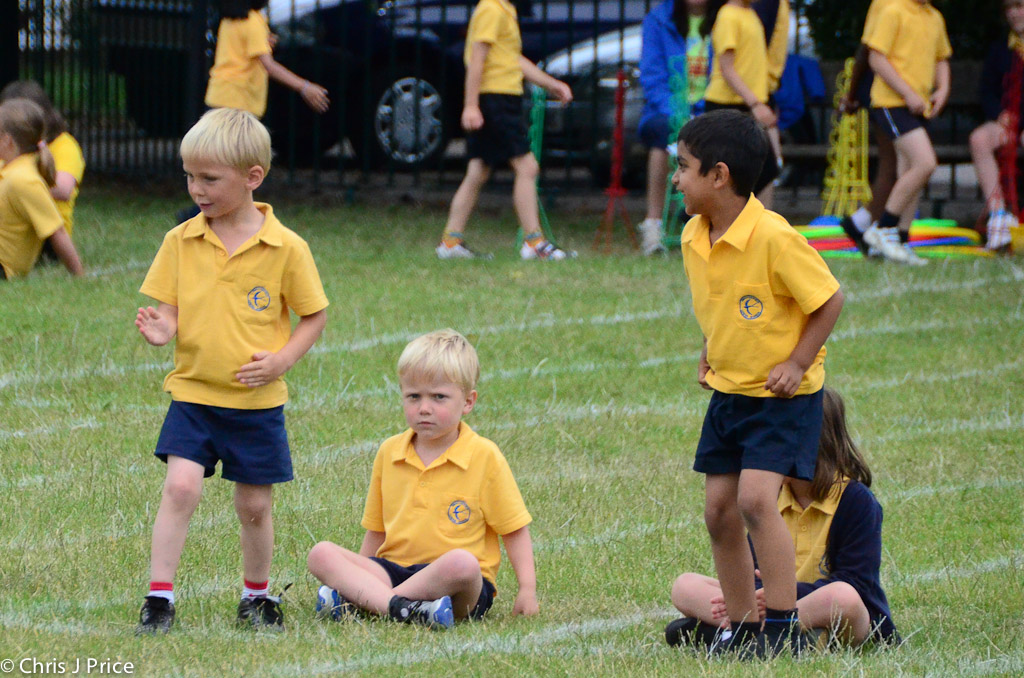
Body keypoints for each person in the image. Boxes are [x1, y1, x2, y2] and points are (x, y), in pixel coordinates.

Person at [134, 108, 329, 634]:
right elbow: (170, 305)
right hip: (193, 394)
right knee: (180, 488)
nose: (196, 189)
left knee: (254, 505)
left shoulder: (288, 248)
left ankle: (256, 596)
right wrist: (164, 327)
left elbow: (314, 315)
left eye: (209, 179)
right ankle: (159, 599)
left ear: (252, 177)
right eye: (190, 176)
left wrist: (283, 359)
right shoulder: (181, 240)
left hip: (255, 405)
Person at [674, 109, 845, 657]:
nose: (675, 178)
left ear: (718, 176)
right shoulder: (692, 235)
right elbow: (719, 305)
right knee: (718, 510)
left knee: (754, 500)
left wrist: (796, 362)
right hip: (731, 393)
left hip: (782, 399)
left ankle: (781, 626)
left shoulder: (774, 236)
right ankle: (742, 628)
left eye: (683, 168)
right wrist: (711, 349)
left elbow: (829, 300)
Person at [307, 329, 538, 628]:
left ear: (468, 402)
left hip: (457, 585)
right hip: (393, 569)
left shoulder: (484, 456)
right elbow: (377, 530)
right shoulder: (390, 452)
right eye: (413, 396)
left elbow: (514, 530)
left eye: (439, 397)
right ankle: (405, 609)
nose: (424, 408)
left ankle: (369, 602)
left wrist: (527, 589)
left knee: (462, 562)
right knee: (321, 553)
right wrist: (359, 573)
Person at [666, 387, 900, 652]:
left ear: (812, 444)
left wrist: (780, 598)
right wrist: (755, 597)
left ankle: (720, 633)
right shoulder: (767, 499)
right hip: (771, 607)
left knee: (842, 597)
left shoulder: (856, 501)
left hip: (837, 615)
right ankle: (759, 633)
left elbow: (856, 582)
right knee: (684, 586)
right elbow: (753, 572)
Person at [436, 0, 573, 261]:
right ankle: (534, 242)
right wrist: (471, 106)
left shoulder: (504, 10)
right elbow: (477, 59)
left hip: (499, 99)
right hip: (494, 100)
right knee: (527, 167)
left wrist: (551, 84)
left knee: (478, 170)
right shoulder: (490, 8)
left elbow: (512, 59)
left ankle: (450, 242)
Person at [860, 0, 952, 266]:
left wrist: (943, 89)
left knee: (910, 170)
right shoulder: (893, 10)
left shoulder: (934, 16)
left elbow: (942, 58)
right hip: (892, 102)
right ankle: (882, 230)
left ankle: (899, 241)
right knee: (926, 163)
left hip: (918, 105)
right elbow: (876, 58)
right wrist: (908, 92)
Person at [636, 0, 709, 255]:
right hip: (666, 110)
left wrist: (700, 110)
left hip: (708, 108)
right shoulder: (658, 21)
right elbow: (652, 76)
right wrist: (680, 113)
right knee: (662, 138)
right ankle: (653, 224)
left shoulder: (724, 18)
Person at [701, 0, 780, 209]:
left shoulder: (751, 15)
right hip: (726, 105)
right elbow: (727, 69)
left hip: (746, 104)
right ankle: (697, 213)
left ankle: (747, 226)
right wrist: (756, 104)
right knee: (750, 171)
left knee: (765, 169)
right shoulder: (728, 15)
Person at [837, 0, 900, 256]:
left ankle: (863, 224)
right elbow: (866, 51)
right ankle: (876, 228)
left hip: (901, 92)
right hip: (886, 93)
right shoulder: (885, 6)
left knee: (897, 166)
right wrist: (851, 94)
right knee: (895, 165)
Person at [0, 98, 84, 279]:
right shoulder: (9, 168)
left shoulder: (24, 180)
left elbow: (57, 231)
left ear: (7, 141)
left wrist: (78, 274)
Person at [205, 0, 329, 118]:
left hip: (219, 95)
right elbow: (269, 66)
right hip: (238, 101)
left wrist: (263, 43)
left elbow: (241, 47)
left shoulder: (229, 19)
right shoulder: (253, 20)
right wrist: (304, 87)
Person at [969, 0, 1024, 251]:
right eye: (1009, 8)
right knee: (979, 138)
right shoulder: (1000, 49)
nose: (1014, 13)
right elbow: (987, 92)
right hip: (1008, 122)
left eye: (1020, 6)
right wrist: (999, 114)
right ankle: (999, 218)